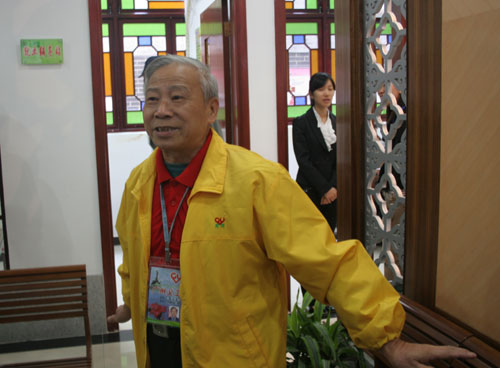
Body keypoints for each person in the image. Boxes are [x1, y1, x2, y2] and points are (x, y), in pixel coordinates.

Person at [107, 54, 476, 368]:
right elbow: (137, 256)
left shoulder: (257, 181)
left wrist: (385, 339)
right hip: (157, 350)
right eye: (152, 99)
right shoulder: (139, 183)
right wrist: (131, 297)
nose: (161, 111)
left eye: (176, 97)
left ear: (211, 109)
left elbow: (327, 262)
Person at [292, 72, 338, 232]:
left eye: (330, 89)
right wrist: (324, 189)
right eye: (320, 89)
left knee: (330, 235)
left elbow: (342, 160)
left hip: (334, 192)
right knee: (309, 236)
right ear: (311, 94)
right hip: (310, 190)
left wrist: (332, 188)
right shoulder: (301, 123)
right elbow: (303, 161)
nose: (326, 93)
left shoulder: (339, 122)